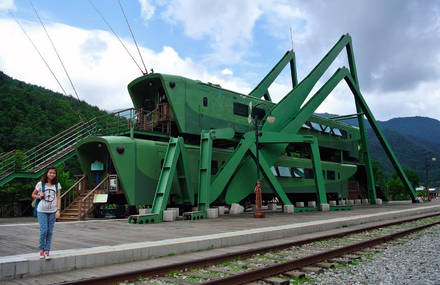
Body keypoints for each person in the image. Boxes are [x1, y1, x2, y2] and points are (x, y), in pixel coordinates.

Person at [31, 165, 61, 260]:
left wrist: (58, 210)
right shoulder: (40, 184)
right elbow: (33, 194)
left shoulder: (57, 185)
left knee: (50, 231)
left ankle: (47, 251)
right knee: (44, 230)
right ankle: (41, 249)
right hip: (42, 210)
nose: (52, 174)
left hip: (53, 211)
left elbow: (58, 198)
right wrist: (39, 196)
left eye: (54, 173)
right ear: (46, 173)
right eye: (50, 172)